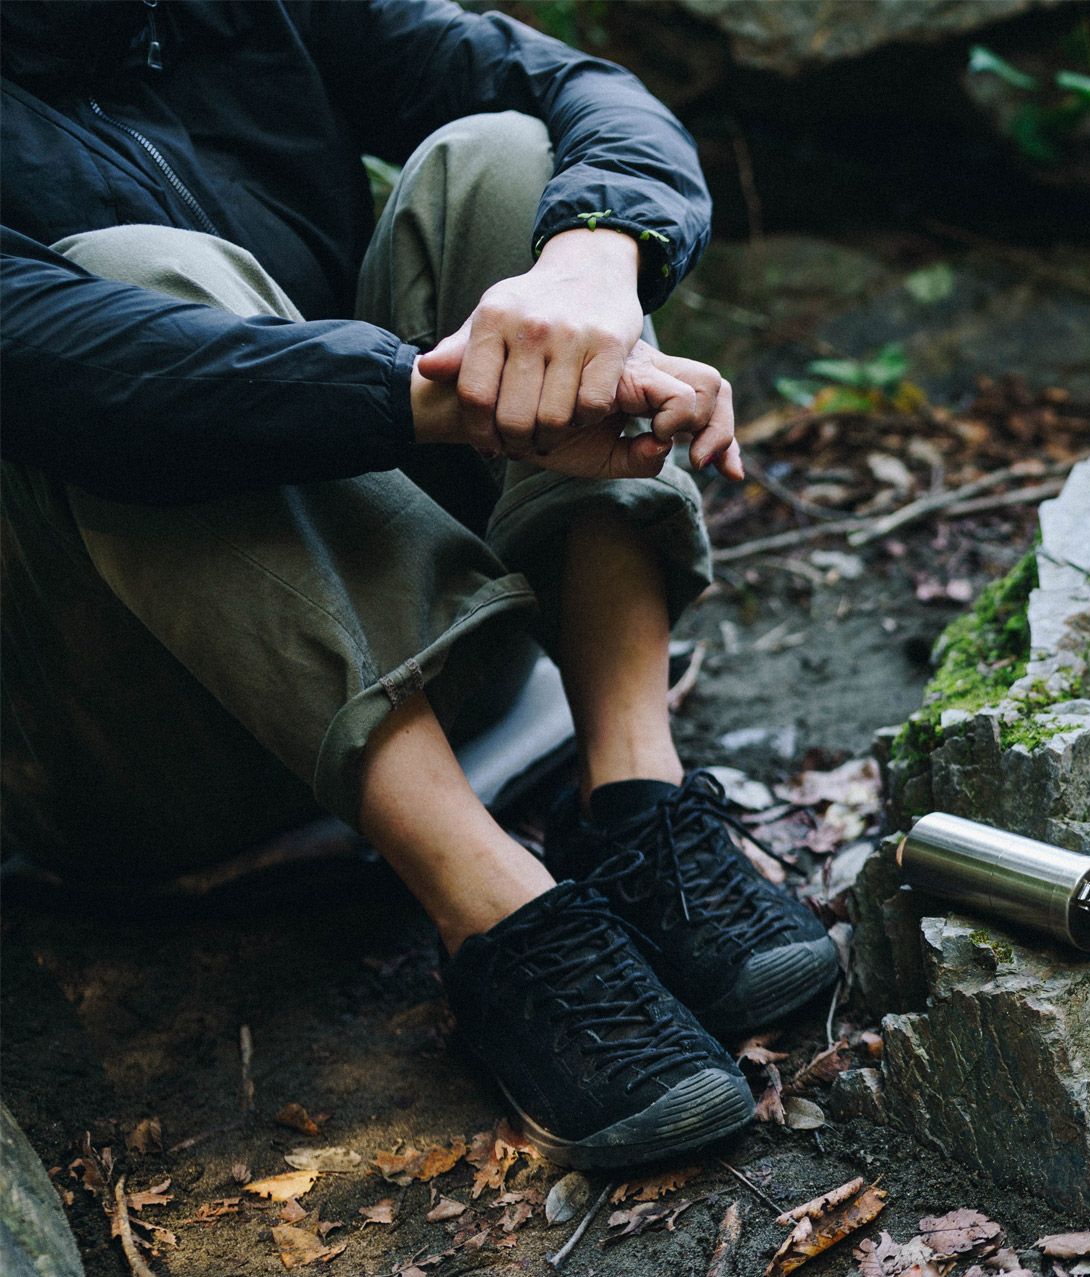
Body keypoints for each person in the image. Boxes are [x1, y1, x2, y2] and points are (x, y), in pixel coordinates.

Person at [1, 1, 837, 1167]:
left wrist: (598, 263)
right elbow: (74, 368)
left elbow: (579, 89)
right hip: (146, 752)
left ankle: (635, 798)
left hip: (456, 663)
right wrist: (459, 400)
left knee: (509, 157)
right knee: (147, 286)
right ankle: (495, 915)